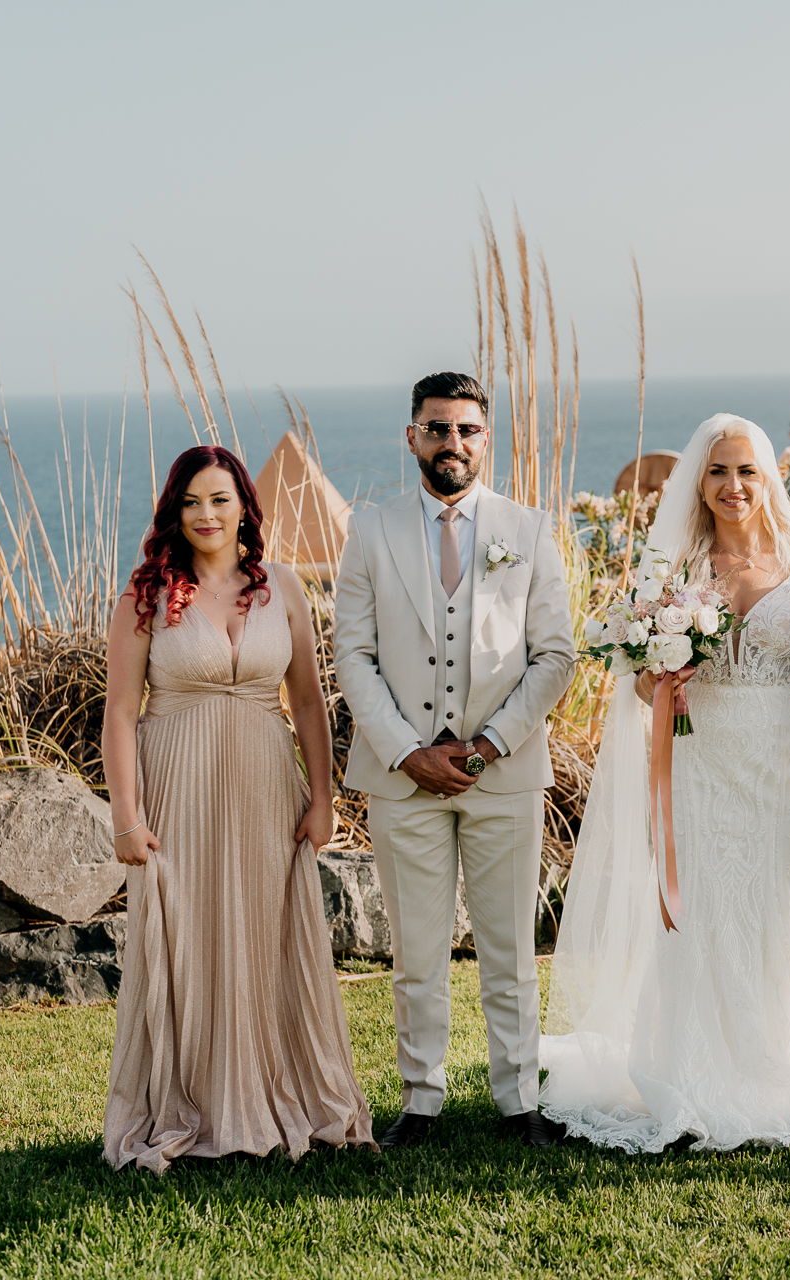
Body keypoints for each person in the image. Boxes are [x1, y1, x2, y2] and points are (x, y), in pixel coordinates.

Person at [540, 414, 790, 1153]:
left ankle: (772, 1064)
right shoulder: (675, 570)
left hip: (773, 763)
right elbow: (634, 687)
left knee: (768, 906)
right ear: (700, 483)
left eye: (747, 471)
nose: (732, 485)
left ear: (767, 479)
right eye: (718, 472)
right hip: (694, 760)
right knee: (695, 913)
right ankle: (687, 1075)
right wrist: (662, 678)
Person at [103, 445, 375, 1173]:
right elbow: (122, 713)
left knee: (267, 933)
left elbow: (311, 703)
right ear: (173, 510)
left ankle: (280, 1096)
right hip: (177, 782)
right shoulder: (144, 595)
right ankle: (192, 1106)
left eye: (219, 500)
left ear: (244, 508)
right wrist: (125, 815)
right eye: (191, 502)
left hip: (264, 782)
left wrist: (325, 799)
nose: (205, 515)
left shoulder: (281, 585)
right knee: (189, 934)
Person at [332, 372, 576, 1150]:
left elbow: (557, 656)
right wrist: (407, 752)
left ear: (485, 439)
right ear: (412, 437)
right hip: (404, 781)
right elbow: (353, 655)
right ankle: (422, 1100)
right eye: (436, 429)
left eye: (467, 430)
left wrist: (489, 743)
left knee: (509, 946)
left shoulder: (527, 529)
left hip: (503, 772)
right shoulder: (369, 531)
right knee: (417, 952)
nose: (452, 443)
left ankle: (518, 1100)